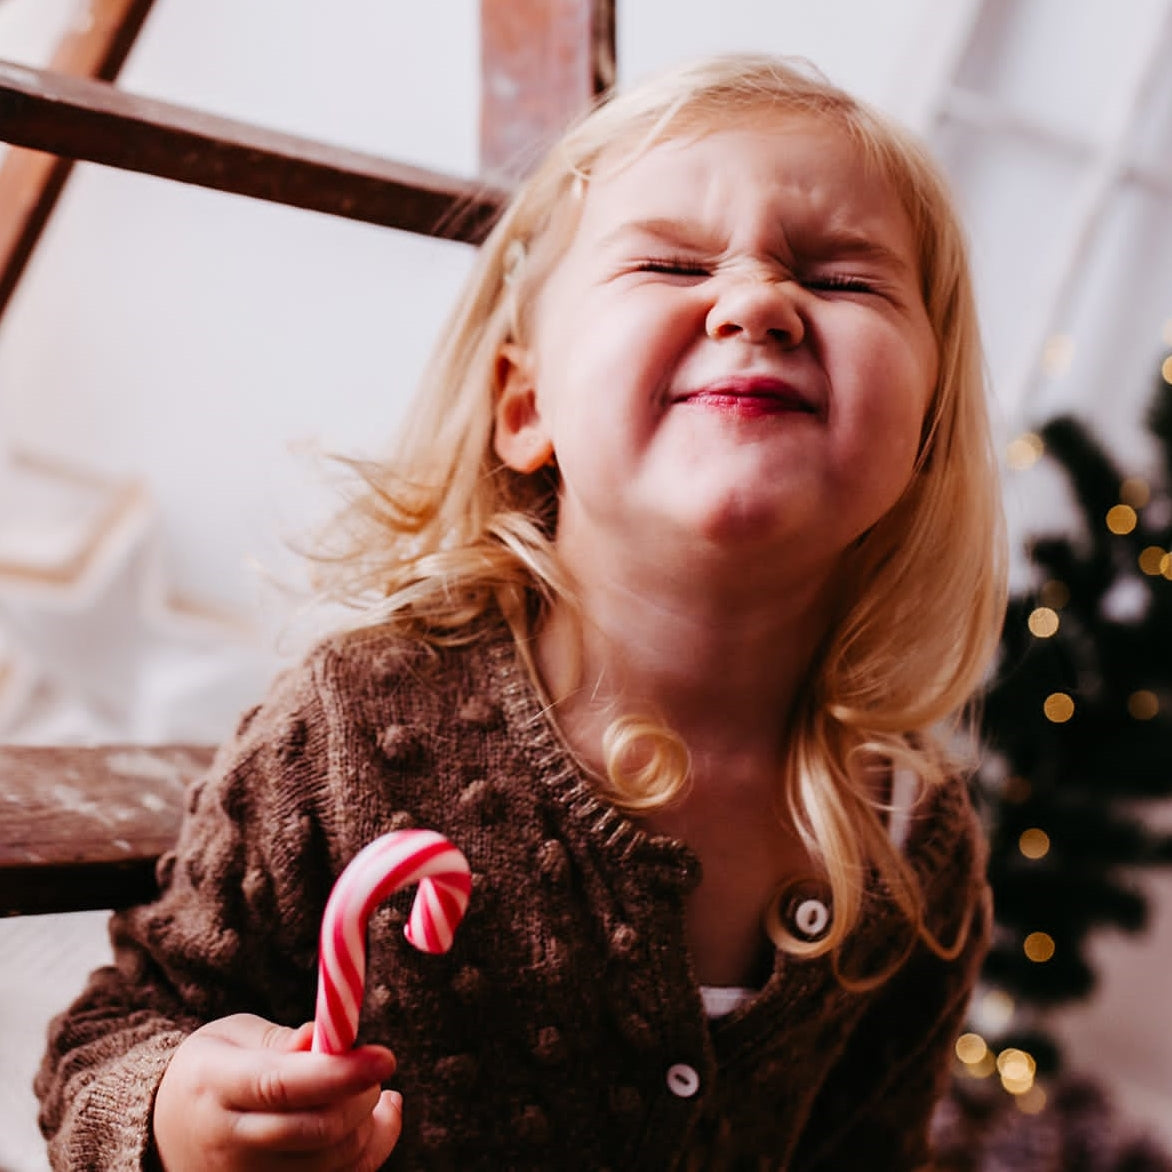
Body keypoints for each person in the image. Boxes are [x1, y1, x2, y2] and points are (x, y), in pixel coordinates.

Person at [35, 52, 1007, 1171]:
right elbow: (115, 1031)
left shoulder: (913, 847)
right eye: (670, 262)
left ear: (925, 433)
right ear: (525, 402)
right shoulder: (359, 721)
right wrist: (178, 1109)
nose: (755, 301)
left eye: (841, 280)